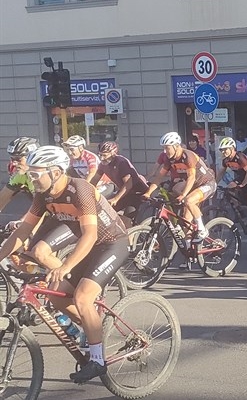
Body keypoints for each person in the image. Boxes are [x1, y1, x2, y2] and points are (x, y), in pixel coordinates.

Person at [0, 145, 129, 383]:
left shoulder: (80, 189)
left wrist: (65, 266)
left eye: (36, 174)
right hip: (88, 244)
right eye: (31, 173)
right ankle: (92, 327)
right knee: (56, 295)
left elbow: (90, 235)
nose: (32, 179)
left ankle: (97, 361)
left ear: (56, 172)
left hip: (112, 243)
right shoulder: (43, 194)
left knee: (82, 297)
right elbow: (23, 230)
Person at [143, 132, 216, 241]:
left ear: (176, 146)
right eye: (164, 148)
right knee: (186, 222)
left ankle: (202, 229)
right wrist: (148, 193)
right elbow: (159, 177)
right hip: (193, 186)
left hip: (207, 183)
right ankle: (189, 247)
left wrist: (183, 195)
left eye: (167, 148)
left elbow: (191, 177)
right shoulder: (169, 159)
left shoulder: (187, 156)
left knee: (188, 200)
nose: (165, 151)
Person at [216, 137, 247, 236]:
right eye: (221, 150)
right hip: (242, 177)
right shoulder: (226, 160)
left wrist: (242, 185)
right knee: (229, 188)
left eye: (225, 149)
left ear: (232, 148)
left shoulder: (240, 157)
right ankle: (239, 210)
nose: (223, 152)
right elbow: (221, 172)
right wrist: (214, 184)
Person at [89, 141, 148, 215]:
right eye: (100, 155)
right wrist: (86, 192)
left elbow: (128, 184)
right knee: (105, 211)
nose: (101, 158)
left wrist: (115, 199)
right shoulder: (102, 165)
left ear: (113, 154)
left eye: (104, 155)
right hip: (125, 193)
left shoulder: (121, 163)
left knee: (128, 216)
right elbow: (94, 181)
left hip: (138, 193)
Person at [0, 137, 38, 212]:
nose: (14, 163)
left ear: (32, 158)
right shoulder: (20, 176)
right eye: (12, 159)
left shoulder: (43, 177)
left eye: (18, 159)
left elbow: (41, 209)